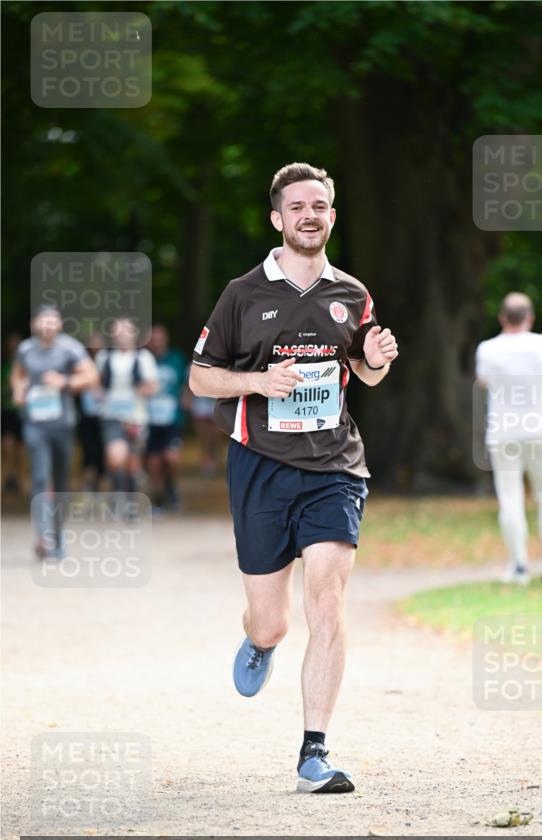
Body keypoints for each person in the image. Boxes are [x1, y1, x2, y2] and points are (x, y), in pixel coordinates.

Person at [189, 162, 398, 794]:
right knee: (273, 620)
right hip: (259, 467)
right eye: (298, 206)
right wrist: (258, 381)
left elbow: (363, 370)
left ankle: (315, 753)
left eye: (321, 205)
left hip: (334, 466)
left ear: (332, 216)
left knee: (328, 599)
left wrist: (377, 361)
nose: (311, 215)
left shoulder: (352, 293)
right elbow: (201, 379)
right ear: (278, 218)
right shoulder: (242, 293)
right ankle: (261, 641)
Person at [475, 292, 542, 585]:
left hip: (504, 431)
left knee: (511, 498)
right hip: (539, 427)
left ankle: (518, 567)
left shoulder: (488, 349)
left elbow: (483, 381)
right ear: (530, 317)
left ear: (502, 317)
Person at [10, 306, 98, 558]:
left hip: (63, 425)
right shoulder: (26, 349)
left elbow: (91, 376)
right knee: (39, 477)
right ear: (34, 324)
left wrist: (65, 382)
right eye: (43, 321)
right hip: (34, 424)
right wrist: (18, 390)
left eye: (53, 321)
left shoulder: (70, 348)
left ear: (60, 324)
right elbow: (18, 375)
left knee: (60, 482)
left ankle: (58, 537)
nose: (48, 326)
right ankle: (42, 536)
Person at [97, 317, 158, 505]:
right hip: (111, 415)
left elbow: (153, 387)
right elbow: (96, 384)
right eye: (118, 330)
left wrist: (142, 389)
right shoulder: (104, 357)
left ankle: (129, 498)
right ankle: (118, 491)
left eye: (126, 330)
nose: (122, 334)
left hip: (136, 417)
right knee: (116, 456)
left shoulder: (144, 358)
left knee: (133, 460)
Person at [146, 324, 187, 512]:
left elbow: (187, 383)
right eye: (152, 337)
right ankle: (159, 495)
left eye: (159, 337)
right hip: (149, 418)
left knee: (170, 458)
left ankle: (171, 487)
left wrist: (187, 402)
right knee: (154, 461)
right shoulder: (144, 359)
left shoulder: (176, 359)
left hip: (172, 417)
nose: (156, 341)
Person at [77, 330, 106, 492]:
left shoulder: (109, 362)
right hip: (87, 415)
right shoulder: (81, 364)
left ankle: (99, 484)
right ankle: (88, 485)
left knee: (102, 451)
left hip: (105, 414)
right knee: (88, 451)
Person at [182, 374, 220, 477]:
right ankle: (206, 460)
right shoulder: (193, 365)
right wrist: (187, 399)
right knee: (203, 436)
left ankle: (213, 458)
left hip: (216, 403)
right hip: (200, 403)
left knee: (215, 435)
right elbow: (188, 384)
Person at [1, 332, 25, 494]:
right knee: (8, 444)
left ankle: (19, 477)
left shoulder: (27, 366)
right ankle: (10, 475)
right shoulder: (4, 366)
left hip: (23, 412)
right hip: (7, 411)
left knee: (21, 447)